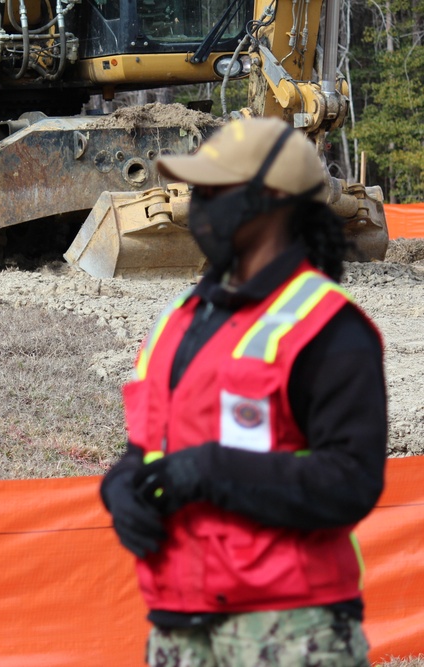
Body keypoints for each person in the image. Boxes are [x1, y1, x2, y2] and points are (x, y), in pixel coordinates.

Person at [100, 117, 387, 666]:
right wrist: (120, 487)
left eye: (212, 190)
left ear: (271, 202)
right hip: (177, 625)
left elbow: (351, 482)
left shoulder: (327, 329)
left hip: (289, 631)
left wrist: (212, 471)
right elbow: (148, 446)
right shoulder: (178, 321)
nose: (197, 204)